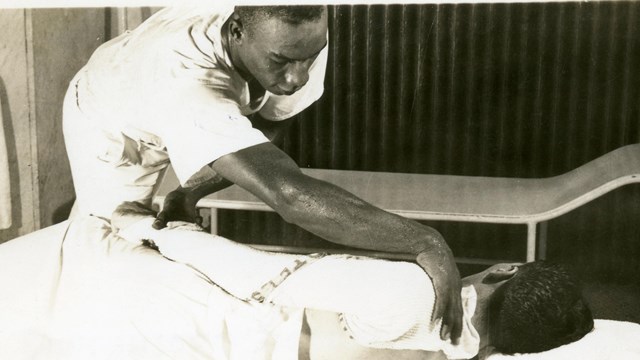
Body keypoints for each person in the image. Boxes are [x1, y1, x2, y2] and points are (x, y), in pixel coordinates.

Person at [62, 4, 463, 340]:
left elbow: (269, 122)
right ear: (236, 32)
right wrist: (424, 240)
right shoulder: (186, 83)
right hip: (112, 119)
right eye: (283, 62)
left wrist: (190, 191)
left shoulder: (294, 38)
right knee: (112, 238)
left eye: (310, 57)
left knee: (164, 226)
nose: (299, 77)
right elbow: (287, 194)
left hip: (179, 87)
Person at [110, 202, 595, 360]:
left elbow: (254, 278)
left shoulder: (411, 293)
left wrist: (157, 230)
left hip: (190, 320)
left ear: (506, 269)